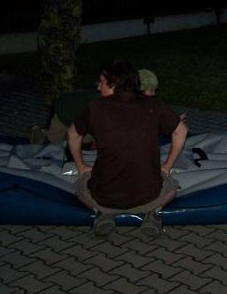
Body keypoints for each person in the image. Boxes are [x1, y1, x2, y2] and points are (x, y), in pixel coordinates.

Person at [67, 60, 188, 238]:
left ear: (113, 85)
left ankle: (102, 213)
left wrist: (81, 166)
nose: (98, 87)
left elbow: (72, 134)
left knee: (80, 187)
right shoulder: (153, 104)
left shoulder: (96, 107)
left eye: (101, 82)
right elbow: (181, 131)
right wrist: (167, 166)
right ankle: (153, 212)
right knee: (173, 187)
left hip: (105, 199)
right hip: (149, 198)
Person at [30, 68, 161, 144]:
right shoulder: (111, 101)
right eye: (150, 91)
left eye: (154, 90)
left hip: (83, 117)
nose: (153, 94)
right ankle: (38, 132)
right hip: (65, 110)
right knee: (51, 146)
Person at [38, 0, 83, 109]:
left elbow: (73, 12)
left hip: (62, 39)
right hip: (51, 38)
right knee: (51, 75)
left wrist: (67, 39)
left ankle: (66, 110)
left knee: (64, 77)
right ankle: (54, 109)